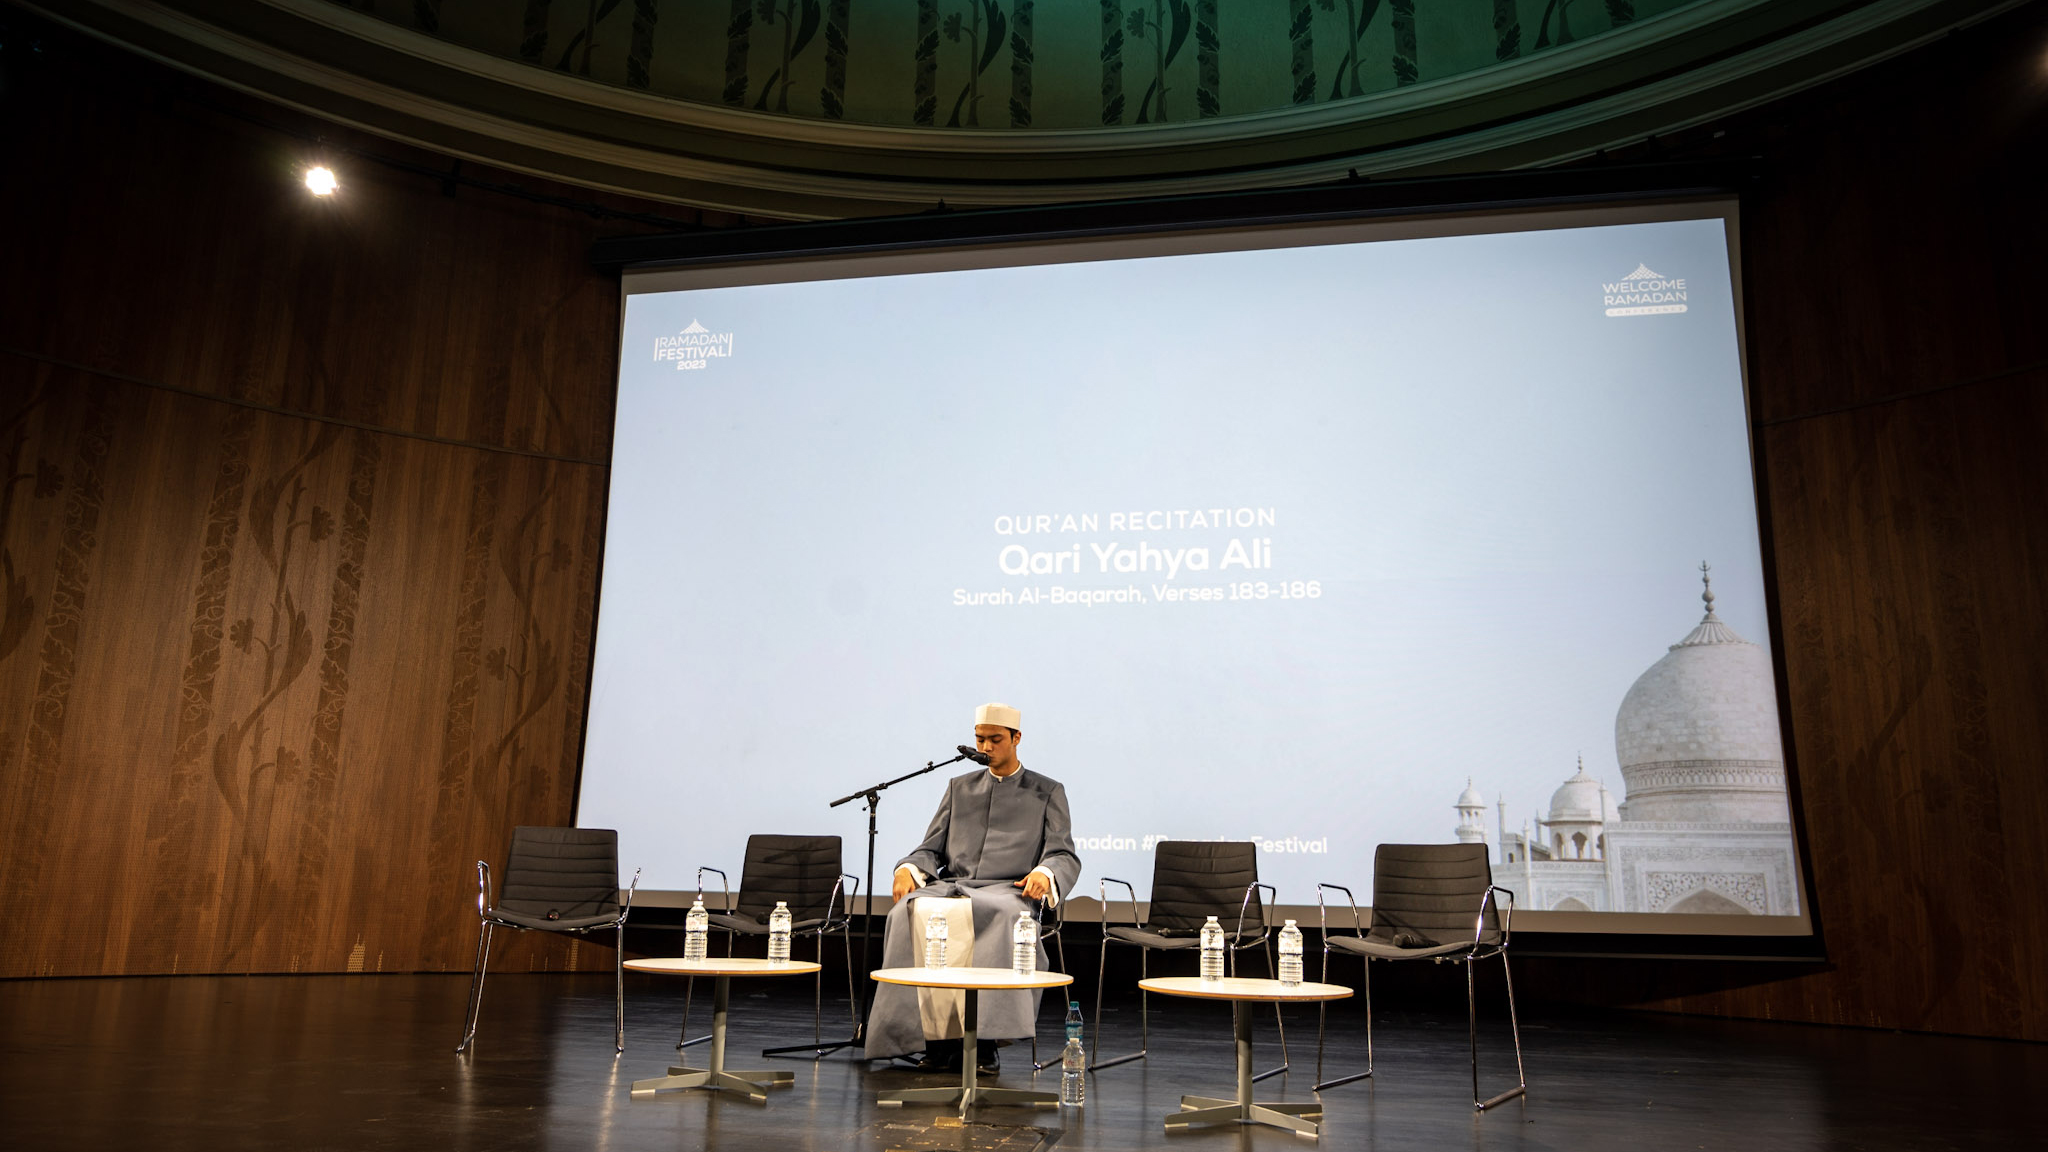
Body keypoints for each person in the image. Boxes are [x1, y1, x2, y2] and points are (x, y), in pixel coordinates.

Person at [864, 703, 1081, 1072]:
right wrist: (908, 869)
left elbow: (1063, 853)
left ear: (1016, 738)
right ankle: (928, 1039)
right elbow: (930, 848)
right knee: (908, 910)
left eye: (996, 740)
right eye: (980, 740)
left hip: (1009, 892)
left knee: (1001, 915)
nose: (986, 747)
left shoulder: (1047, 791)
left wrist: (1045, 874)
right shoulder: (959, 787)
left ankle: (984, 1043)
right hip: (953, 886)